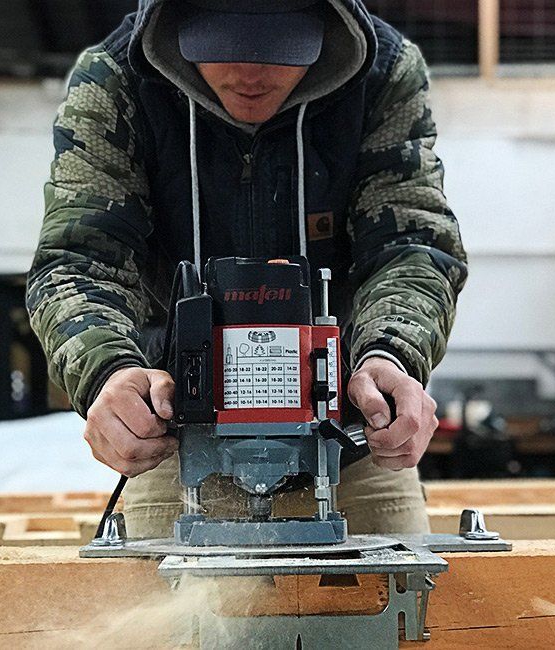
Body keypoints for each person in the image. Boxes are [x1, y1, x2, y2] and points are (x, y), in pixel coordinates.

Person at [26, 0, 468, 537]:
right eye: (221, 48)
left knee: (401, 614)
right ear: (176, 22)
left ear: (327, 25)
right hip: (177, 451)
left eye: (280, 51)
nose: (250, 75)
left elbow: (411, 245)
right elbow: (79, 259)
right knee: (157, 620)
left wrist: (391, 354)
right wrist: (108, 372)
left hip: (354, 449)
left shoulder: (383, 76)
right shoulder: (116, 80)